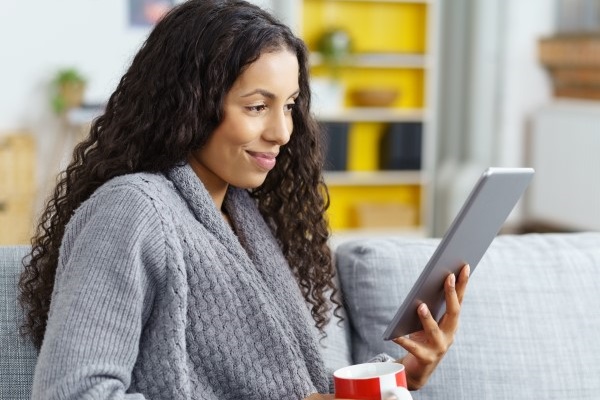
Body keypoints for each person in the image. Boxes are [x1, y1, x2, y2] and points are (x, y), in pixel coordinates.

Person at [18, 1, 470, 399]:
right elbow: (73, 392)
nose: (282, 132)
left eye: (290, 105)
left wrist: (399, 376)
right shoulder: (133, 210)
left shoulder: (243, 215)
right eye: (257, 107)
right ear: (189, 104)